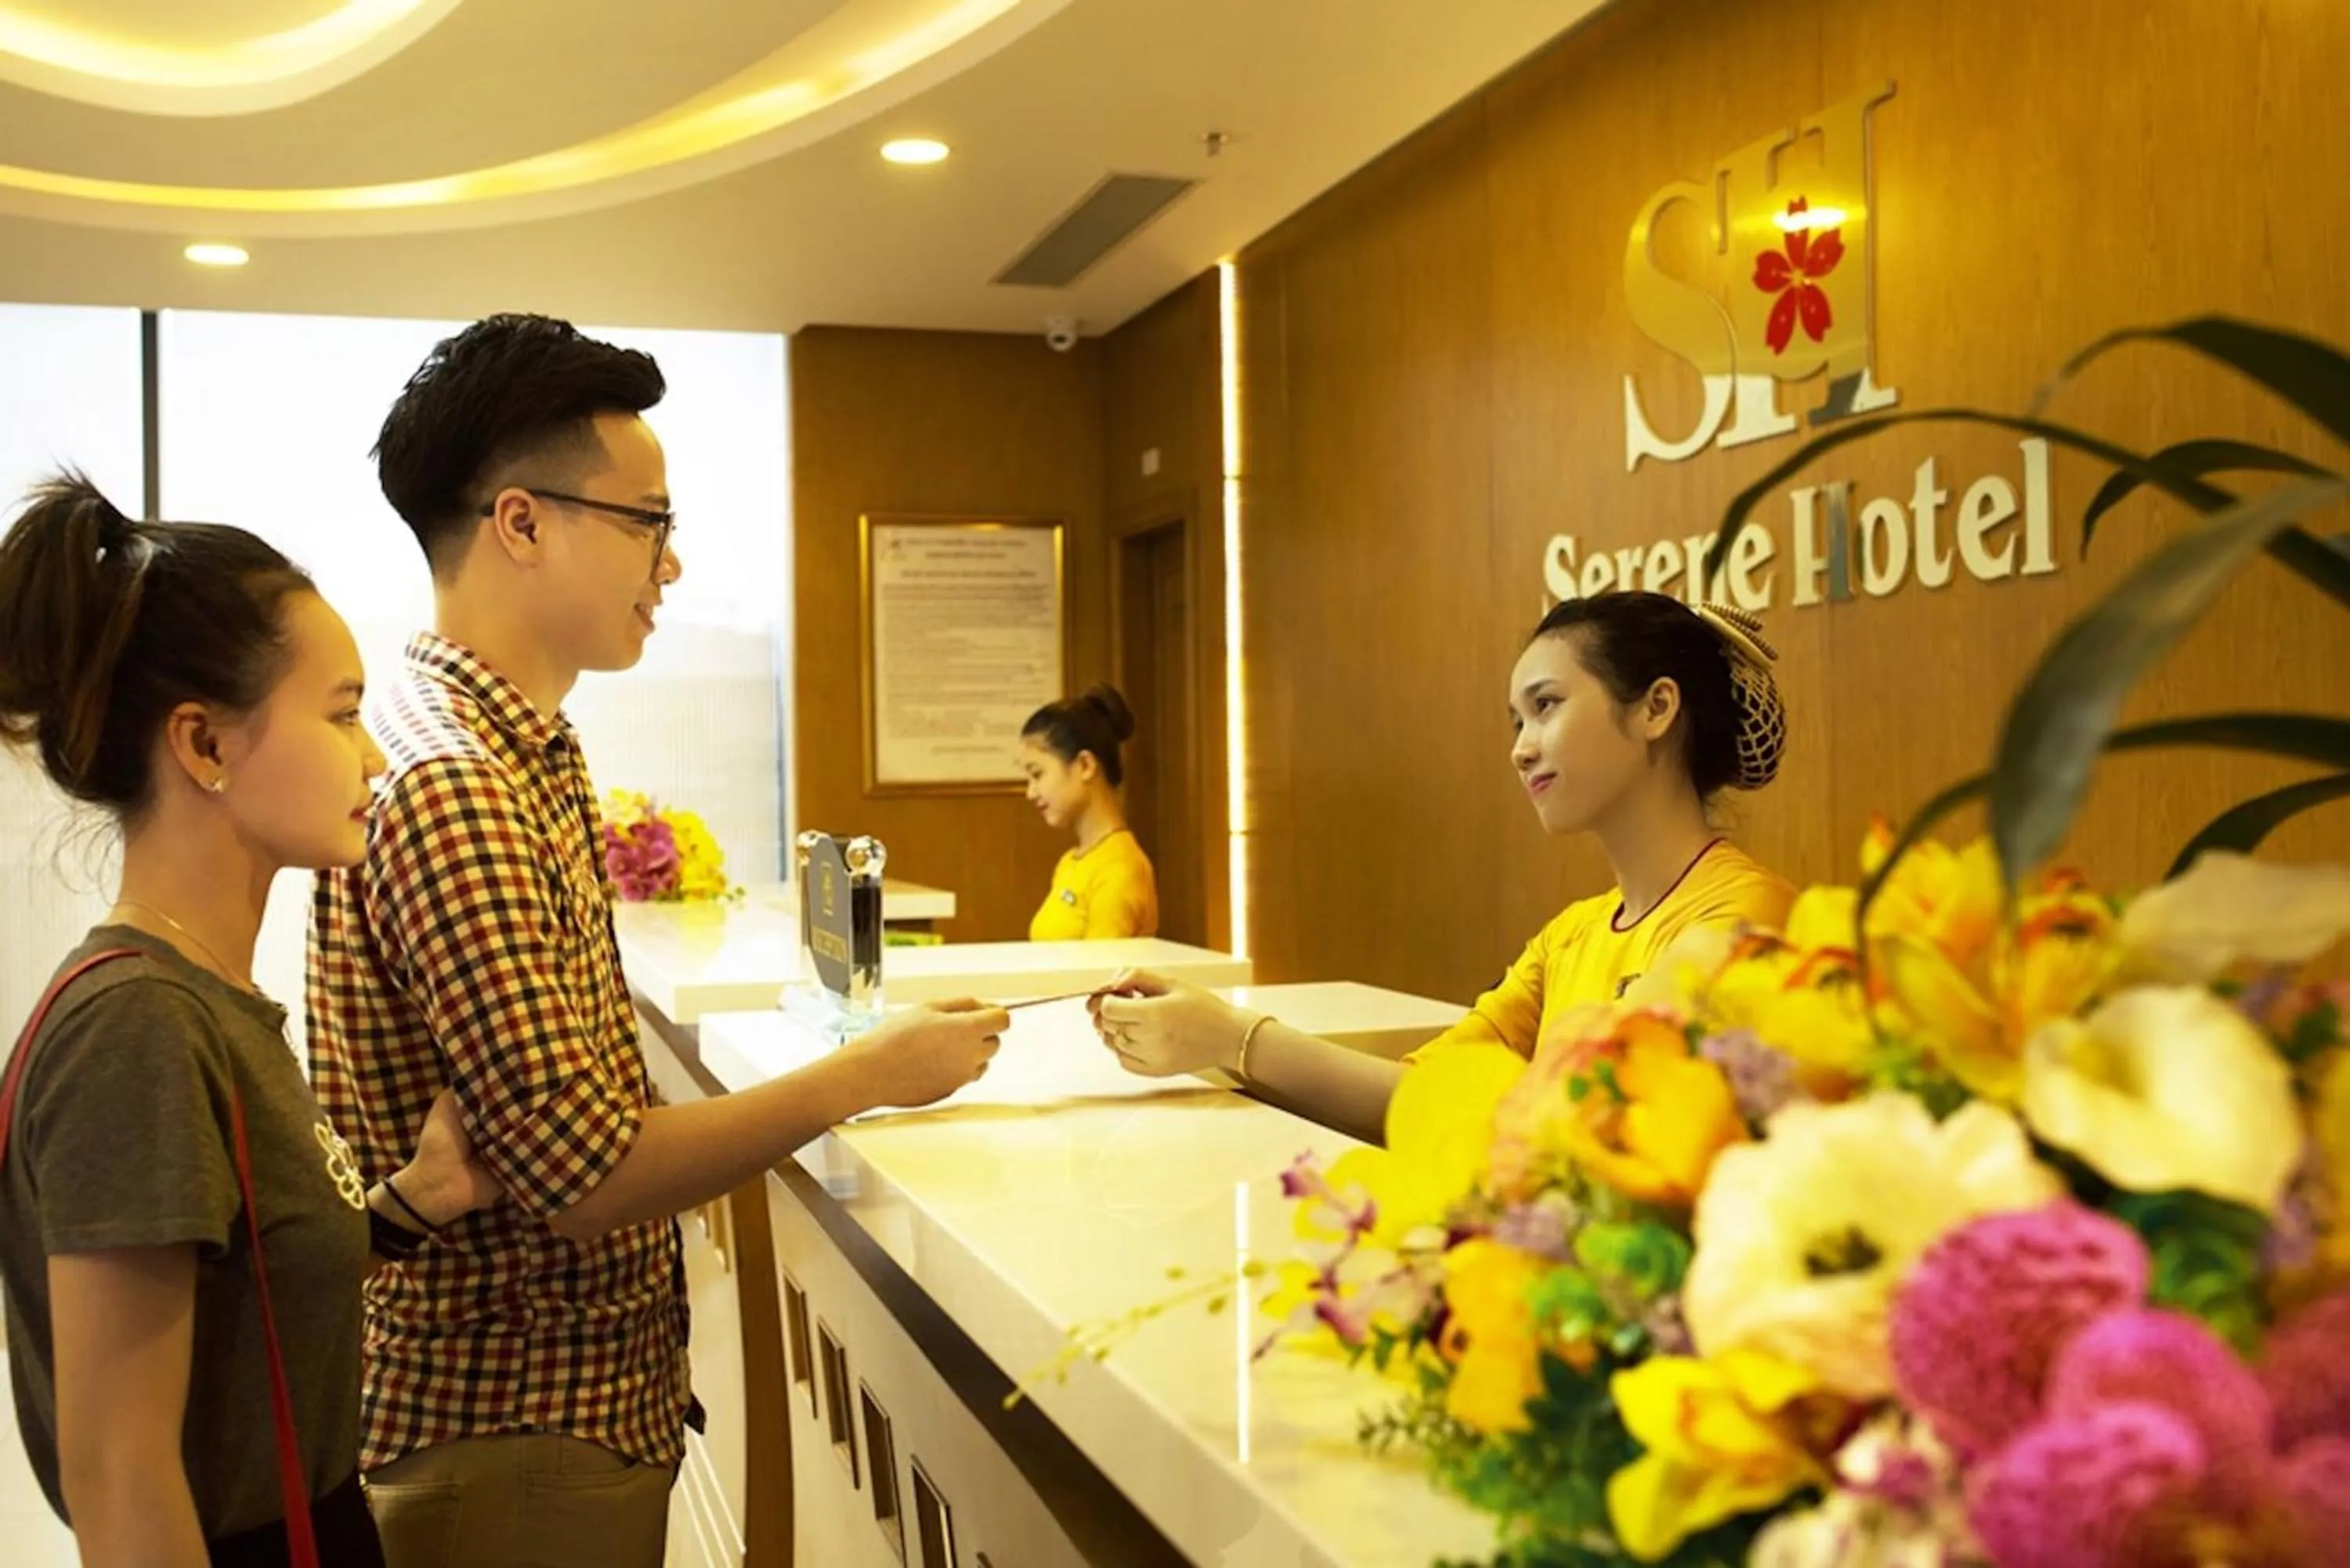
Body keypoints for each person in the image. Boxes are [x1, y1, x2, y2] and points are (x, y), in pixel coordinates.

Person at [306, 314, 1008, 1568]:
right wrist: (869, 1073)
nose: (670, 566)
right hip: (512, 1422)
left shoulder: (507, 739)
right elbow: (587, 1180)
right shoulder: (460, 779)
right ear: (520, 523)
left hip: (544, 1415)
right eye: (649, 523)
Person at [0, 475, 502, 1567]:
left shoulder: (208, 1004)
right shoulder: (137, 1031)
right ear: (206, 744)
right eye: (339, 712)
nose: (373, 757)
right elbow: (123, 1474)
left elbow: (240, 1304)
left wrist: (414, 1203)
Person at [1093, 591, 1795, 1143]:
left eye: (1545, 707)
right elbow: (1426, 1095)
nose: (1521, 749)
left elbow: (1574, 1133)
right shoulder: (1571, 937)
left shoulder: (1742, 919)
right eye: (1515, 722)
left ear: (1657, 709)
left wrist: (1236, 1039)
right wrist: (1212, 1039)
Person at [1021, 684, 1159, 940]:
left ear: (1085, 765)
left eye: (1038, 774)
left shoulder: (1121, 868)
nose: (1031, 792)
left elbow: (1100, 976)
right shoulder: (1071, 862)